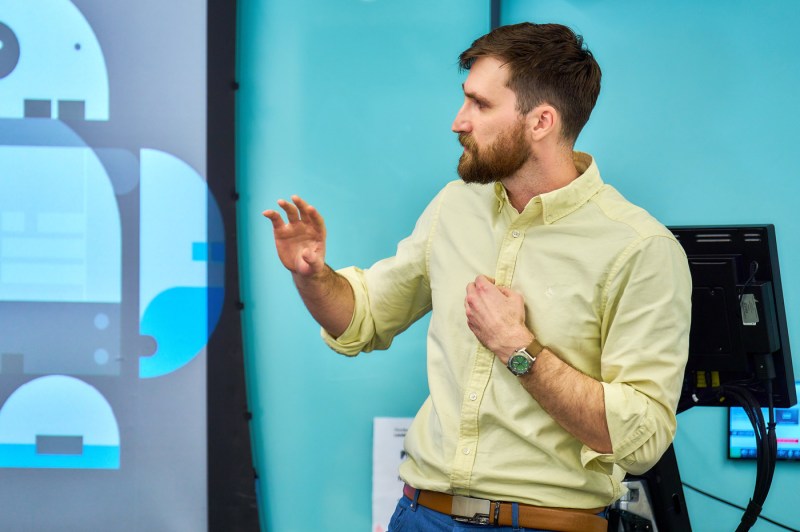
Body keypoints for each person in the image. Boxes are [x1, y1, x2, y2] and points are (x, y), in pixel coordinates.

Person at [263, 22, 691, 532]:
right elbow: (364, 318)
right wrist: (312, 276)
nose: (458, 121)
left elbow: (642, 439)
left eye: (480, 105)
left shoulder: (639, 248)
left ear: (541, 122)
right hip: (420, 516)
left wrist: (518, 348)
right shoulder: (455, 206)